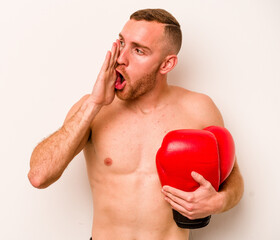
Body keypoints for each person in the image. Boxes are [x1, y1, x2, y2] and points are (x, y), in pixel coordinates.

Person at [28, 8, 244, 240]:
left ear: (166, 65)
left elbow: (234, 180)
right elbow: (39, 176)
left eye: (139, 50)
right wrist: (94, 103)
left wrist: (218, 201)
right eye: (121, 43)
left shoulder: (198, 108)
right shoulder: (93, 109)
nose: (121, 58)